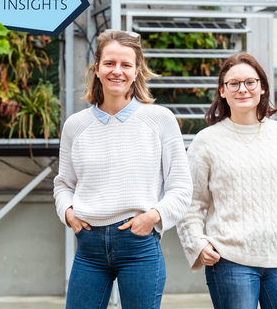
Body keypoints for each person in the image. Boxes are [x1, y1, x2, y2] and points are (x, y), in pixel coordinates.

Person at [53, 29, 193, 309]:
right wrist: (68, 213)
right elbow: (63, 184)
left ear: (137, 70)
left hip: (139, 245)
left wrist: (153, 216)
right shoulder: (75, 125)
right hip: (88, 247)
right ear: (96, 68)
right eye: (109, 63)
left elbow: (181, 187)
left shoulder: (160, 119)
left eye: (126, 65)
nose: (117, 71)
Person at [177, 53, 277, 309]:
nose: (242, 89)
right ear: (222, 91)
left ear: (262, 86)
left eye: (250, 82)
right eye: (233, 83)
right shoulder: (206, 141)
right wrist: (196, 244)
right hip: (230, 260)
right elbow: (190, 203)